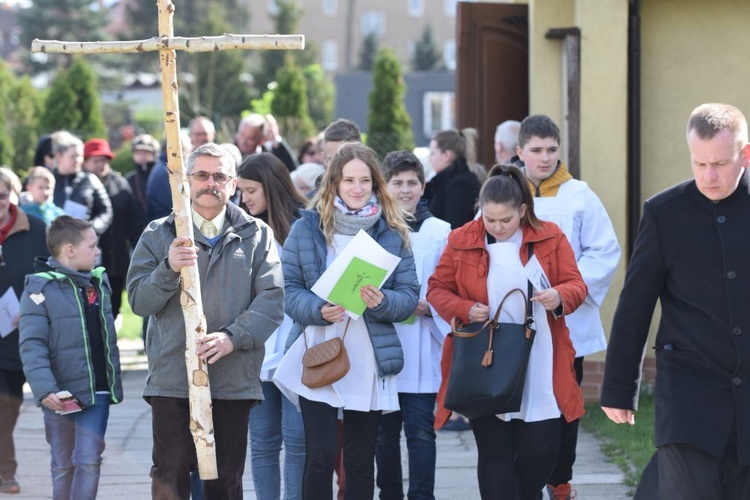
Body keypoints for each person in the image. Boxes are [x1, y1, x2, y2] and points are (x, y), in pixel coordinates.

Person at [601, 102, 750, 499]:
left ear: (745, 155)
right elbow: (635, 303)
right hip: (689, 392)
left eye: (719, 163)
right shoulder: (664, 213)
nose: (709, 176)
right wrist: (618, 387)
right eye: (699, 164)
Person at [127, 143, 285, 499]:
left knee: (224, 481)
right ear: (186, 181)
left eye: (219, 176)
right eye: (201, 175)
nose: (209, 183)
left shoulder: (257, 235)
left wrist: (233, 337)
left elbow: (273, 300)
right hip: (172, 377)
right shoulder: (158, 233)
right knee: (169, 475)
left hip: (232, 376)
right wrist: (167, 268)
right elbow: (138, 301)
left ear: (232, 184)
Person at [427, 165, 586, 499]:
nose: (497, 228)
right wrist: (464, 309)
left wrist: (559, 296)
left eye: (506, 220)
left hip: (541, 358)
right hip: (486, 359)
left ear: (523, 211)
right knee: (495, 454)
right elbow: (437, 289)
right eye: (489, 220)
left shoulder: (551, 236)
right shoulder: (461, 239)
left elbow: (576, 284)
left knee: (541, 451)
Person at [274, 142, 420, 500]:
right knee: (320, 456)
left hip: (368, 354)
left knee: (358, 460)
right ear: (334, 183)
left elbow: (409, 294)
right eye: (349, 180)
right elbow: (289, 289)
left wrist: (383, 301)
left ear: (375, 184)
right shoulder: (306, 228)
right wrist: (316, 308)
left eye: (365, 181)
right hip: (318, 346)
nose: (357, 188)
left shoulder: (392, 231)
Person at [512, 115, 621, 500]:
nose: (545, 158)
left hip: (566, 320)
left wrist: (566, 291)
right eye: (537, 150)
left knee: (565, 403)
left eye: (552, 150)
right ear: (520, 151)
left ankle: (560, 481)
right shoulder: (506, 191)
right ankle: (523, 478)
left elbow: (605, 250)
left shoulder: (579, 195)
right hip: (517, 320)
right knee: (520, 403)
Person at [19, 215, 123, 500]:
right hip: (59, 394)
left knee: (88, 460)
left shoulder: (99, 283)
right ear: (70, 250)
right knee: (63, 464)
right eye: (92, 246)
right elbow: (32, 344)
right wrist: (44, 389)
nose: (98, 251)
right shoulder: (39, 290)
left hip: (97, 390)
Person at [375, 151, 452, 500]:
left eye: (412, 183)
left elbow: (450, 285)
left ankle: (423, 496)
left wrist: (430, 306)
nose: (405, 190)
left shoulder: (440, 231)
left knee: (421, 431)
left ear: (423, 187)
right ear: (385, 187)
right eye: (397, 183)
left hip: (422, 346)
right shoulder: (376, 229)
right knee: (383, 434)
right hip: (383, 345)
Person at [237, 153, 307, 500]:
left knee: (298, 441)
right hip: (258, 350)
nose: (245, 199)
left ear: (272, 186)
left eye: (251, 190)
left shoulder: (305, 224)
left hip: (299, 348)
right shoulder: (241, 228)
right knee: (262, 442)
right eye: (242, 192)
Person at [0, 167, 49, 495]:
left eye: (3, 194)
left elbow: (50, 278)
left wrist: (34, 306)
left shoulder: (38, 230)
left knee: (11, 402)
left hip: (21, 334)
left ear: (15, 195)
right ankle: (6, 471)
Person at [83, 138, 143, 319]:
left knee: (113, 306)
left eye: (104, 160)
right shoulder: (79, 186)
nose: (100, 165)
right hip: (86, 260)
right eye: (95, 160)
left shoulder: (120, 184)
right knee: (89, 307)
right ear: (85, 162)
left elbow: (133, 219)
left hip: (116, 259)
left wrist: (138, 248)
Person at [50, 131, 113, 236]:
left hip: (84, 243)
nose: (78, 160)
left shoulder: (90, 180)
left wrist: (91, 229)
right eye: (73, 156)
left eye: (80, 156)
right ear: (59, 156)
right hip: (54, 242)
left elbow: (106, 211)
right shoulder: (48, 180)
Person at [423, 128, 482, 229]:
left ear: (447, 155)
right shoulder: (445, 182)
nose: (430, 159)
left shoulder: (460, 185)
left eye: (432, 153)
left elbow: (455, 227)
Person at [126, 133, 161, 229]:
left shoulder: (161, 175)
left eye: (145, 152)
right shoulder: (130, 179)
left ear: (154, 154)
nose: (142, 156)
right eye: (138, 153)